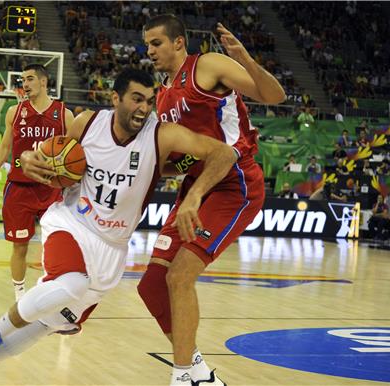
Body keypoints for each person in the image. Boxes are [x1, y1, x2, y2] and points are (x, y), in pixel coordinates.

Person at [0, 68, 239, 386]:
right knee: (72, 283)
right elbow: (37, 153)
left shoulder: (163, 135)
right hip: (72, 222)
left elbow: (223, 153)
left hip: (112, 250)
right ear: (115, 98)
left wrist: (193, 192)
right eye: (136, 99)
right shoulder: (87, 123)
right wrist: (30, 158)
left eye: (150, 101)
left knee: (43, 326)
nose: (144, 108)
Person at [142, 15, 285, 385]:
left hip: (234, 183)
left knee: (181, 275)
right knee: (153, 283)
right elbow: (188, 156)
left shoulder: (206, 66)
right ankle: (198, 372)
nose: (150, 51)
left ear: (178, 42)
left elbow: (275, 96)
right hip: (196, 186)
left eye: (156, 43)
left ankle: (182, 375)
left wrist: (247, 59)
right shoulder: (163, 93)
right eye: (147, 45)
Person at [0, 64, 74, 301]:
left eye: (29, 79)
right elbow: (4, 148)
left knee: (56, 247)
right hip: (19, 189)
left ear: (44, 82)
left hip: (51, 188)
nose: (24, 84)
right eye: (22, 80)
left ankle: (53, 294)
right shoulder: (14, 112)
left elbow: (74, 151)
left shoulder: (63, 114)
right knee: (20, 246)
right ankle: (20, 296)